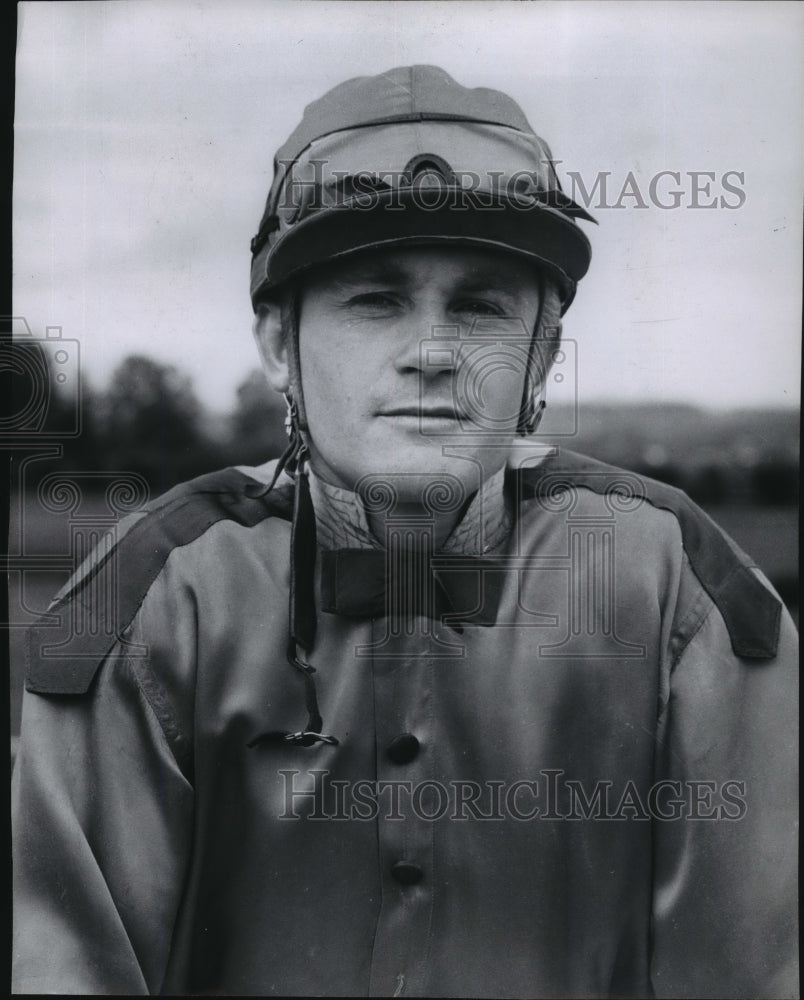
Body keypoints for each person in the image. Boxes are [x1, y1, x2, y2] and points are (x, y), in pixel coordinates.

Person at [12, 65, 797, 997]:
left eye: (481, 304)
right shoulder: (148, 602)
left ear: (542, 350)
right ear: (277, 343)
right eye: (374, 298)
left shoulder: (682, 595)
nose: (432, 351)